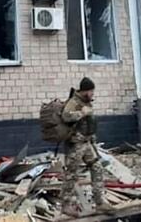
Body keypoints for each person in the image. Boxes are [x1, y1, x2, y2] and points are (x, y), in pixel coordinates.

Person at [60, 77, 112, 216]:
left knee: (97, 167)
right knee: (71, 174)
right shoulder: (74, 102)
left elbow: (89, 123)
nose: (93, 94)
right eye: (91, 91)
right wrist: (82, 113)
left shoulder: (86, 102)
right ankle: (66, 205)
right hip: (76, 144)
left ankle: (99, 202)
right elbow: (65, 116)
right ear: (85, 91)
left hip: (87, 142)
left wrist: (93, 138)